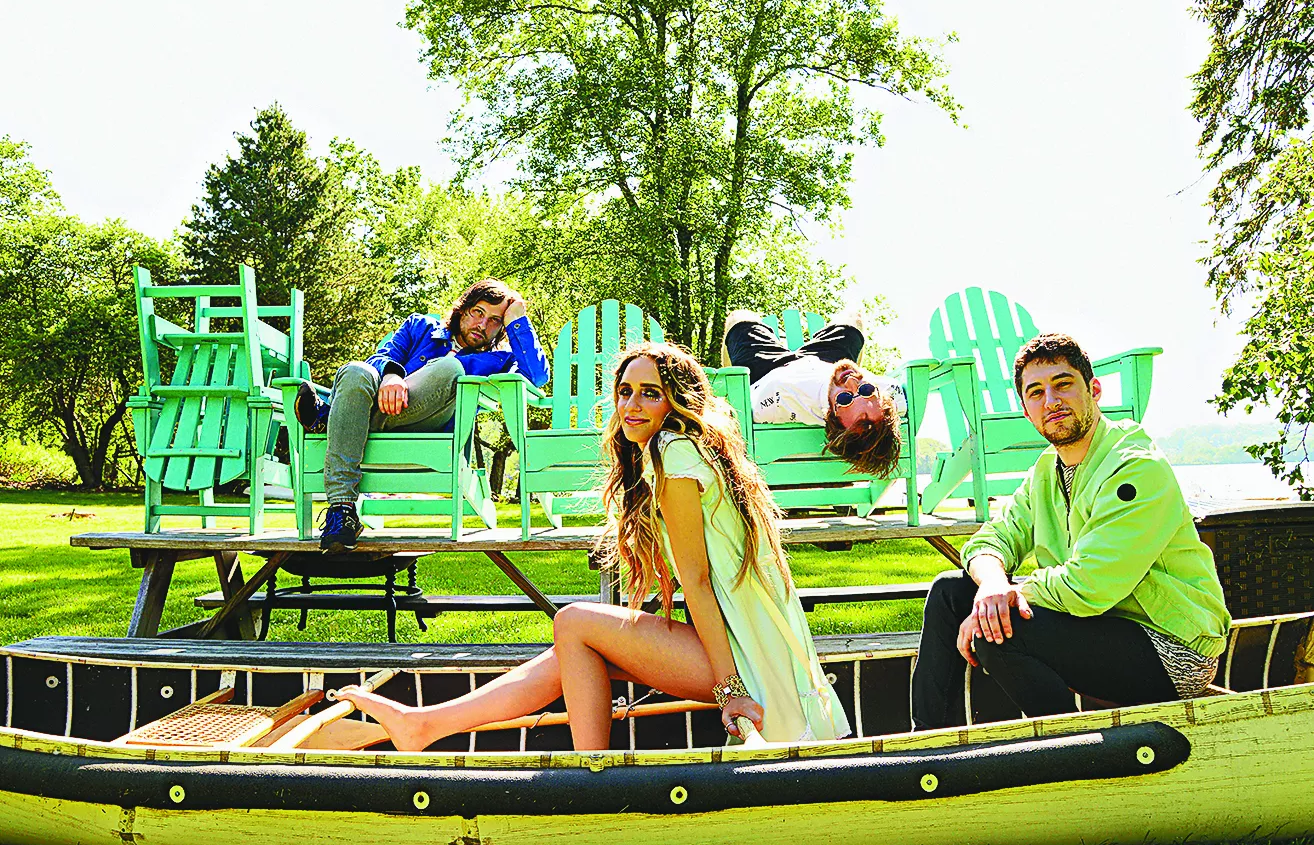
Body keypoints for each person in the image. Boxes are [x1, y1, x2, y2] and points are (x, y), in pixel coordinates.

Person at [335, 342, 850, 750]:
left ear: (677, 400)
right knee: (575, 646)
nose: (632, 405)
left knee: (574, 622)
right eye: (625, 391)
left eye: (650, 393)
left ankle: (590, 777)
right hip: (750, 640)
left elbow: (697, 580)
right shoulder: (688, 450)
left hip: (751, 657)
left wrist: (731, 690)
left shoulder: (674, 451)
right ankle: (424, 725)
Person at [911, 332, 1232, 730]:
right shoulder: (1047, 470)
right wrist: (992, 584)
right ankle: (927, 742)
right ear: (1027, 411)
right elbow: (993, 538)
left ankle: (1075, 751)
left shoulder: (1135, 465)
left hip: (1170, 647)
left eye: (1063, 384)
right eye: (1036, 392)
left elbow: (1091, 585)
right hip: (1100, 624)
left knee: (1000, 631)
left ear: (1093, 390)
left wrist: (1006, 598)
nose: (1051, 401)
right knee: (950, 592)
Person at [295, 278, 550, 553]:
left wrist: (517, 320)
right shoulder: (420, 326)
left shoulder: (500, 360)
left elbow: (536, 376)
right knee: (356, 371)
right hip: (381, 406)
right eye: (478, 312)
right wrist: (392, 375)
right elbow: (380, 358)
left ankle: (330, 418)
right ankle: (342, 511)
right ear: (463, 308)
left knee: (450, 368)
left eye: (495, 321)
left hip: (429, 427)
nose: (482, 325)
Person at [721, 307, 906, 478]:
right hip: (825, 362)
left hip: (769, 368)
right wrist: (850, 391)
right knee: (854, 318)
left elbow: (741, 409)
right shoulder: (890, 396)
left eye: (845, 399)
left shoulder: (773, 401)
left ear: (829, 415)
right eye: (867, 390)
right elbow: (895, 397)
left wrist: (727, 392)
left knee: (738, 318)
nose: (851, 381)